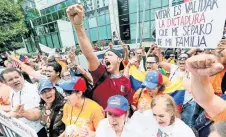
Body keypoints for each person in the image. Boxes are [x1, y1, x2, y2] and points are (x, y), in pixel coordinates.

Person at [66, 4, 134, 108]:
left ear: (119, 59)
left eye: (110, 54)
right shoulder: (100, 73)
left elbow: (129, 104)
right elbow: (89, 54)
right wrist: (78, 26)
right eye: (105, 55)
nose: (106, 57)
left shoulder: (126, 81)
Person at [0, 68, 46, 137]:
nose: (15, 80)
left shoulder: (31, 90)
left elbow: (37, 114)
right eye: (10, 79)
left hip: (36, 132)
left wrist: (21, 113)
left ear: (21, 76)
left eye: (16, 77)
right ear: (5, 82)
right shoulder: (13, 90)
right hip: (22, 132)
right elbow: (14, 108)